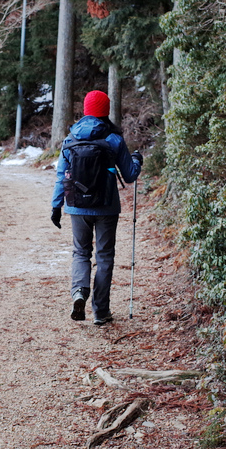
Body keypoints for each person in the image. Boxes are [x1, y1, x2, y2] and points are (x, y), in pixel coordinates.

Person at [51, 90, 142, 326]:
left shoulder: (71, 139)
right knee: (104, 257)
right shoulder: (113, 139)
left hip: (77, 206)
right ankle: (100, 312)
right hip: (106, 206)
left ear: (85, 110)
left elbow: (62, 175)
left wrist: (56, 205)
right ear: (106, 111)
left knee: (81, 253)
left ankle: (79, 292)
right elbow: (130, 175)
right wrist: (136, 160)